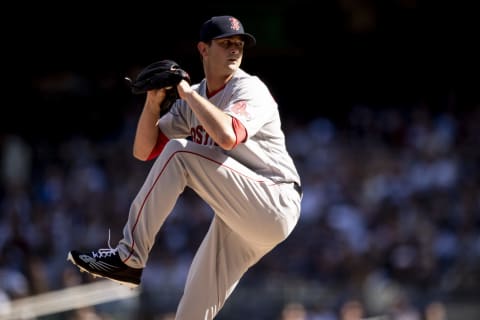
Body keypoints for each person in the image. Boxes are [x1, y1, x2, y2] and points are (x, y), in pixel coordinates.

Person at [67, 15, 302, 319]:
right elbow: (144, 151)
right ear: (203, 50)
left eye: (239, 43)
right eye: (226, 43)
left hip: (274, 199)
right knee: (191, 312)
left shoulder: (249, 88)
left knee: (180, 152)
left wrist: (188, 95)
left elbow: (227, 136)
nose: (235, 49)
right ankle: (130, 260)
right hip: (238, 221)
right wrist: (153, 103)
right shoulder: (194, 98)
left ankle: (128, 257)